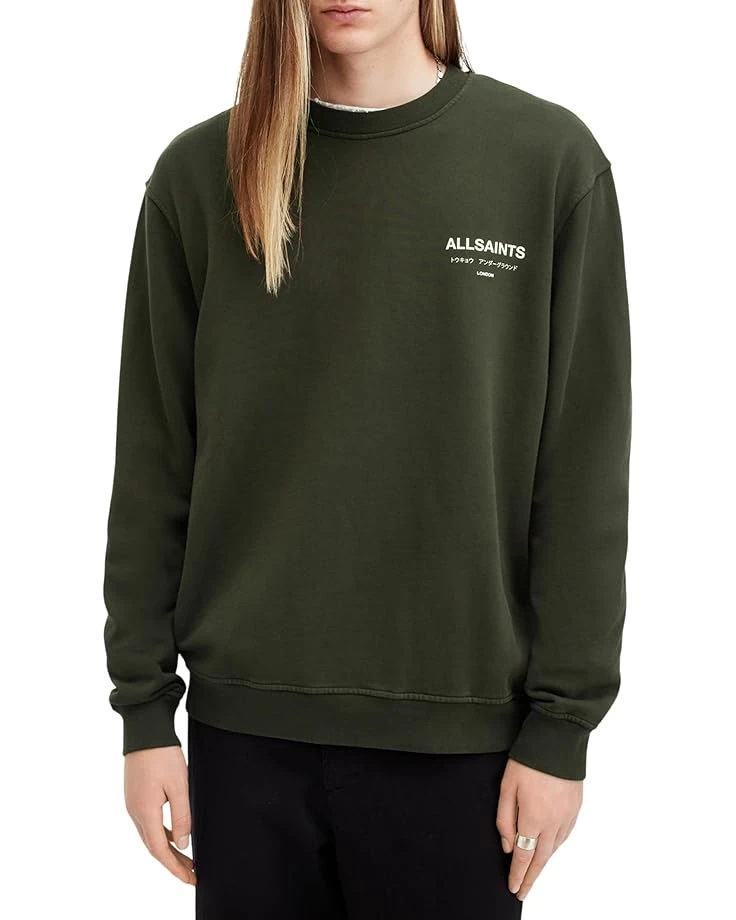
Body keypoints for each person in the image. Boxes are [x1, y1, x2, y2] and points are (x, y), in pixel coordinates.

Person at [102, 1, 632, 916]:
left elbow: (583, 472)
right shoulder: (200, 173)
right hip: (245, 737)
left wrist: (562, 726)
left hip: (465, 744)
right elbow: (154, 460)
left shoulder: (545, 162)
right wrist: (144, 713)